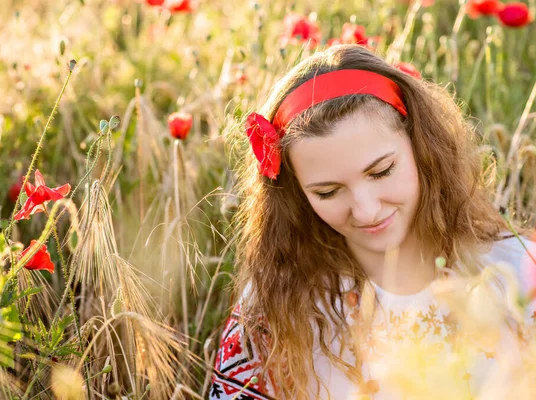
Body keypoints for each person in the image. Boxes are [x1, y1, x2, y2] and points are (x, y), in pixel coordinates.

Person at [209, 44, 536, 400]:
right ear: (297, 195)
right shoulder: (276, 309)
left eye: (381, 172)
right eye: (328, 192)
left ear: (422, 146)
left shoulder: (518, 275)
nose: (365, 211)